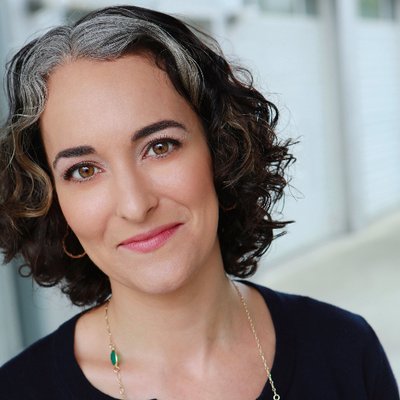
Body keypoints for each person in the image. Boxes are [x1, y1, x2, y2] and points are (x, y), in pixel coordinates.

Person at [0, 5, 398, 400]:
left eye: (160, 146)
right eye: (84, 170)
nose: (135, 205)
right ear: (52, 200)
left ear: (222, 150)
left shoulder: (346, 350)